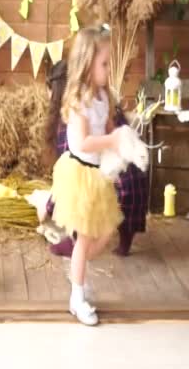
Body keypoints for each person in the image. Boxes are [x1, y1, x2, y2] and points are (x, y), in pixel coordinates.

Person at [51, 26, 123, 326]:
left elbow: (106, 129)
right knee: (86, 239)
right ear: (87, 64)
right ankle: (77, 296)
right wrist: (111, 141)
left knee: (105, 234)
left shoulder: (103, 96)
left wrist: (120, 145)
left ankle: (76, 272)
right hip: (80, 175)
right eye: (105, 63)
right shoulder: (80, 100)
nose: (109, 69)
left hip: (98, 174)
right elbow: (82, 143)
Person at [44, 69, 148, 258]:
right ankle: (125, 238)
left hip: (111, 185)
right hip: (137, 186)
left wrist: (49, 208)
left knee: (81, 195)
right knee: (127, 180)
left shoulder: (73, 117)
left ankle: (78, 243)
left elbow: (72, 170)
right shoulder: (105, 104)